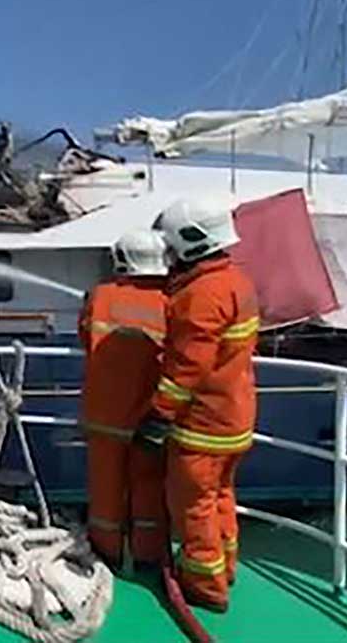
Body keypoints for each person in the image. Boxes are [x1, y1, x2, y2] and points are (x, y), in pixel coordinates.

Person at [137, 196, 259, 613]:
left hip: (203, 425)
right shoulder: (236, 281)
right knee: (220, 496)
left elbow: (188, 366)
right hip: (235, 417)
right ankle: (225, 568)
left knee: (194, 506)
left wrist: (159, 415)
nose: (169, 254)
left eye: (172, 245)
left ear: (193, 241)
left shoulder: (201, 295)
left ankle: (205, 587)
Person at [78, 229, 169, 570]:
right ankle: (148, 555)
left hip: (104, 414)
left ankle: (107, 554)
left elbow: (85, 337)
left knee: (106, 490)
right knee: (148, 488)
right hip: (151, 413)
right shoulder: (171, 301)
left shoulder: (100, 296)